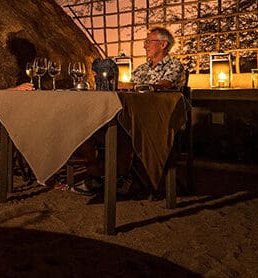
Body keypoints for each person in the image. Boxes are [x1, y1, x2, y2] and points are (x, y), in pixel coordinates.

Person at [72, 26, 186, 196]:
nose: (145, 45)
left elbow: (163, 86)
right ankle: (96, 173)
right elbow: (127, 91)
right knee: (85, 126)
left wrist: (128, 86)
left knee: (124, 128)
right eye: (145, 42)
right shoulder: (141, 69)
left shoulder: (174, 65)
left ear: (163, 44)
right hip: (132, 114)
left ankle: (121, 177)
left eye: (149, 41)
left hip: (158, 120)